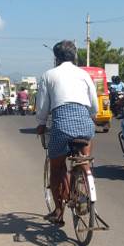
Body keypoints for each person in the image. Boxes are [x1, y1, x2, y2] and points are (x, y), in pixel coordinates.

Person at [35, 40, 99, 226]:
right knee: (84, 159)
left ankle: (58, 211)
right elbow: (93, 104)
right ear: (74, 56)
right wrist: (91, 117)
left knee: (56, 167)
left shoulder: (49, 75)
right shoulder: (84, 74)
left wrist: (40, 124)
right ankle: (86, 181)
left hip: (62, 126)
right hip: (85, 125)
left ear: (56, 58)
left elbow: (42, 107)